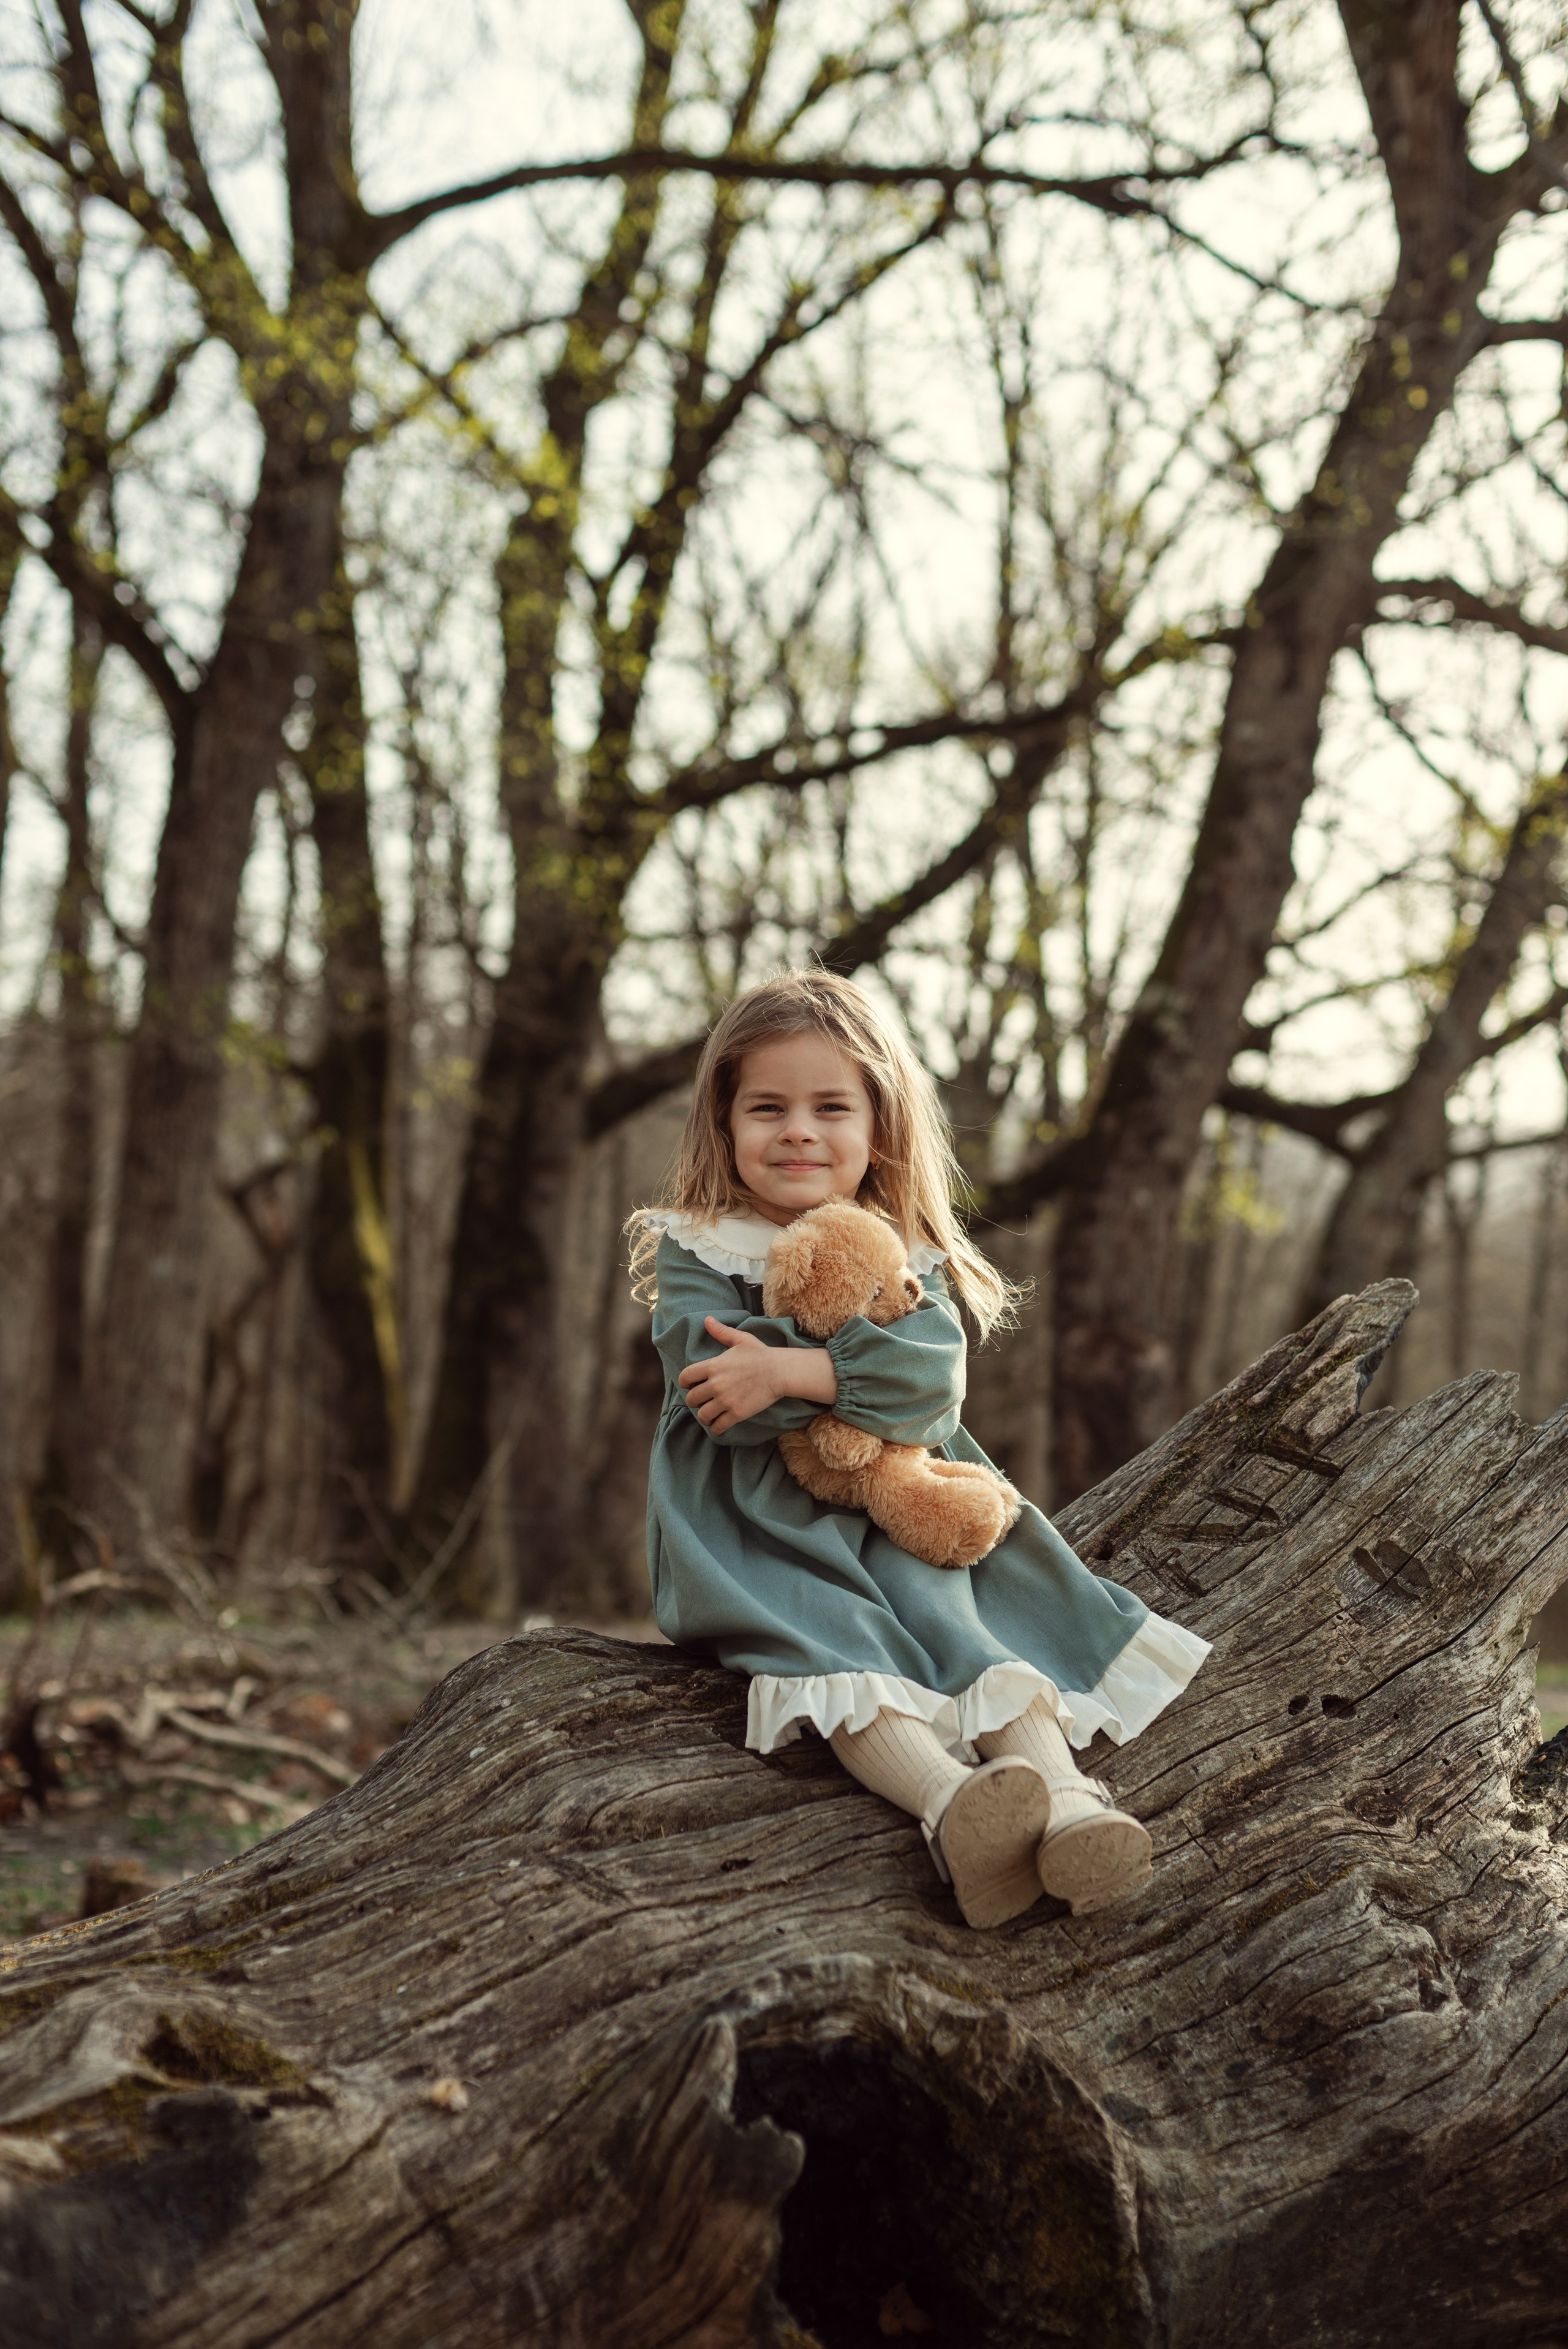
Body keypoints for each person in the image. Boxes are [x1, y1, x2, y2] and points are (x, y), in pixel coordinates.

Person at [627, 969, 1209, 1928]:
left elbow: (931, 1385)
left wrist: (797, 1375)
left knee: (973, 1621)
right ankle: (950, 1806)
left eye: (830, 1107)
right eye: (767, 1107)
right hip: (751, 1525)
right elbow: (716, 1391)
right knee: (836, 1642)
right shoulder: (700, 1246)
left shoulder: (906, 1254)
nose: (799, 1131)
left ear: (878, 1129)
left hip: (899, 1504)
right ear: (725, 1125)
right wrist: (825, 1379)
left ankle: (1065, 1804)